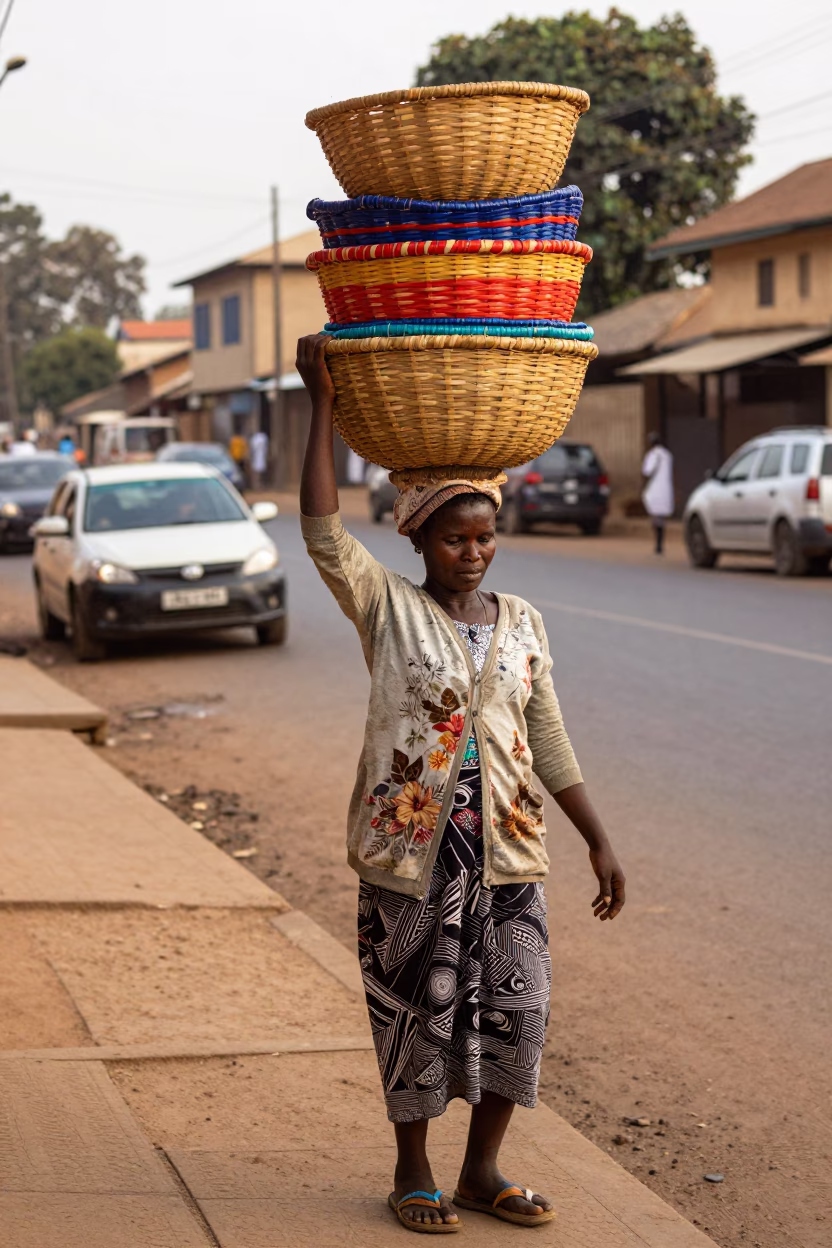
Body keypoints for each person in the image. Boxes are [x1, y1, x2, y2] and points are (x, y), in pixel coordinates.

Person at [296, 333, 626, 1234]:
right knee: (413, 1008)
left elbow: (545, 732)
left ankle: (482, 1171)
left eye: (485, 536)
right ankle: (413, 1172)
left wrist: (597, 834)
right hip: (412, 857)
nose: (473, 552)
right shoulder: (388, 607)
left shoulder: (522, 621)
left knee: (517, 1008)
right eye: (455, 537)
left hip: (510, 855)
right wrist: (321, 402)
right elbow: (323, 533)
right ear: (420, 537)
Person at [641, 432, 674, 555]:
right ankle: (660, 543)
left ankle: (658, 544)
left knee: (655, 517)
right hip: (665, 489)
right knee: (661, 518)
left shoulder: (653, 455)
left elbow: (647, 471)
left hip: (655, 489)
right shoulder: (667, 455)